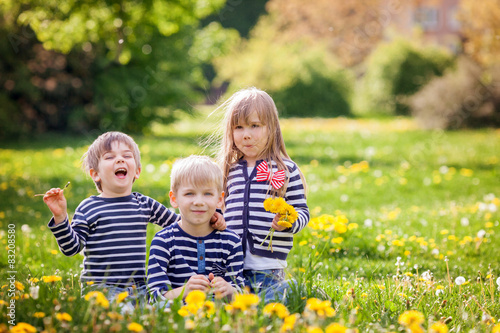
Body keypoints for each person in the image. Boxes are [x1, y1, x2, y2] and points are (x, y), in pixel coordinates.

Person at [42, 132, 225, 310]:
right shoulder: (89, 207)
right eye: (110, 157)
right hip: (101, 288)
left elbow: (181, 224)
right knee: (124, 315)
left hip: (139, 289)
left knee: (159, 313)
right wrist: (61, 218)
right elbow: (71, 248)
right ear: (95, 174)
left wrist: (212, 218)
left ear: (137, 171)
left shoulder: (144, 203)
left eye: (126, 156)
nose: (120, 160)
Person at [213, 87, 310, 303]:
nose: (246, 134)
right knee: (225, 301)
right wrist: (216, 218)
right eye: (238, 127)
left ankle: (274, 299)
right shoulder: (227, 170)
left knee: (275, 296)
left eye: (254, 126)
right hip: (230, 267)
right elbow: (218, 208)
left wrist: (288, 222)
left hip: (268, 268)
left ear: (271, 128)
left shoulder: (285, 170)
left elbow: (303, 211)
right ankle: (251, 305)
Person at [147, 155, 244, 304]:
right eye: (189, 193)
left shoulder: (231, 242)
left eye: (207, 194)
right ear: (174, 199)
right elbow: (153, 298)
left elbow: (242, 296)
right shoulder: (164, 242)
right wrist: (185, 291)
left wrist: (230, 291)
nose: (199, 202)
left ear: (219, 199)